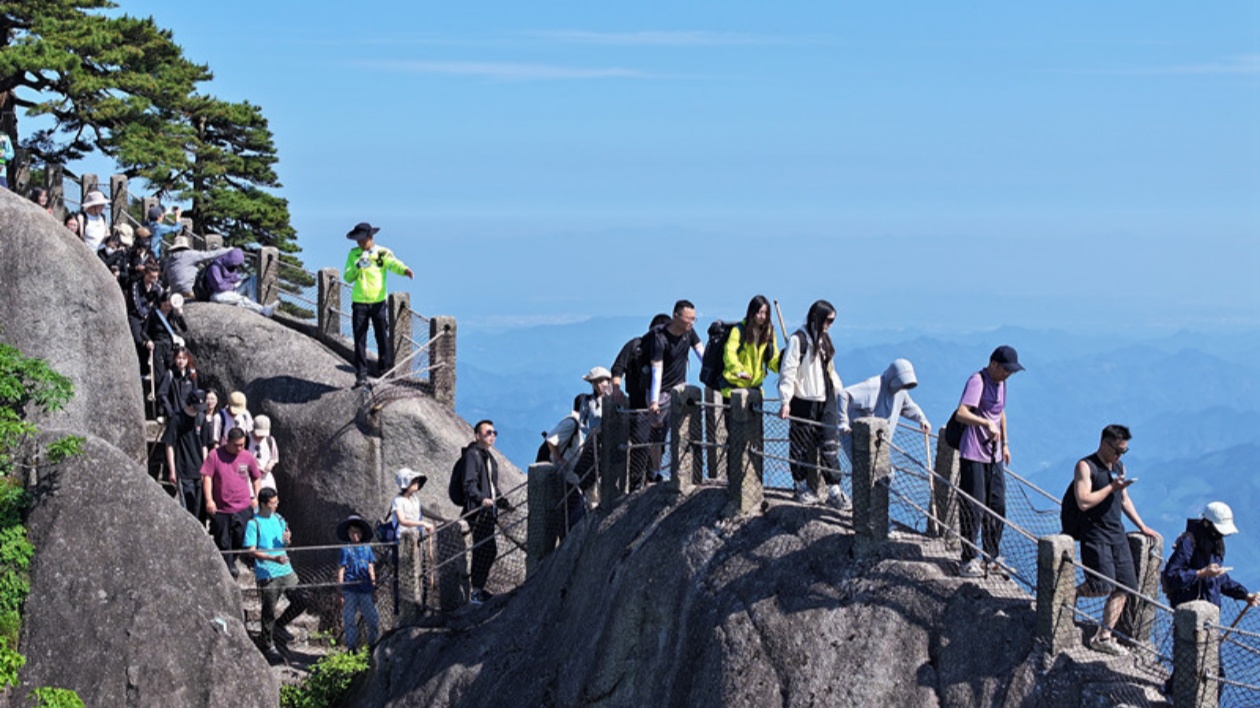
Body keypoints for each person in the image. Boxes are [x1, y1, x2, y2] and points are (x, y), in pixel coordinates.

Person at [1067, 424, 1161, 656]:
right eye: (1118, 450)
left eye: (1124, 451)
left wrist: (1141, 526)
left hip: (1116, 533)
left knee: (1126, 586)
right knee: (1101, 584)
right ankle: (1068, 593)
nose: (1120, 455)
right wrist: (1111, 487)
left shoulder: (1118, 467)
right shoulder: (1085, 466)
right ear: (1104, 444)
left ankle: (1103, 636)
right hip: (1094, 533)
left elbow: (1124, 499)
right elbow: (1083, 501)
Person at [1161, 501, 1260, 694]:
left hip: (1209, 619)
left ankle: (1171, 691)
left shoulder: (1215, 545)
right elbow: (1171, 575)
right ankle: (1173, 694)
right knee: (1211, 671)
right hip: (1189, 615)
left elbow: (1220, 579)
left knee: (1192, 663)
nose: (1222, 535)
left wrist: (1244, 594)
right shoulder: (1189, 542)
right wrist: (1200, 574)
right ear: (1207, 524)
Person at [954, 345, 1023, 579]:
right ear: (993, 364)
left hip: (994, 454)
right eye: (1005, 370)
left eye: (1011, 371)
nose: (1008, 374)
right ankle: (967, 558)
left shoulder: (1002, 383)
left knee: (997, 505)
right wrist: (985, 424)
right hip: (973, 451)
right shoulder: (977, 380)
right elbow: (961, 413)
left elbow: (1000, 412)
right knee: (974, 506)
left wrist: (1005, 443)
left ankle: (991, 556)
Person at [777, 300, 846, 508]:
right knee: (799, 445)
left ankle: (834, 490)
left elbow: (830, 371)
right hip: (803, 401)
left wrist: (841, 396)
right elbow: (787, 372)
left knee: (829, 445)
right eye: (828, 319)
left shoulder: (824, 339)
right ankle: (800, 486)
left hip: (826, 400)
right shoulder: (799, 340)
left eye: (832, 321)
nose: (830, 324)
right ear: (816, 317)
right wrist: (785, 401)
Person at [342, 222, 414, 387]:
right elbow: (347, 277)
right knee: (359, 338)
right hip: (359, 302)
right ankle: (361, 374)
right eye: (357, 240)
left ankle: (384, 370)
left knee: (382, 336)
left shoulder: (382, 252)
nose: (359, 243)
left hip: (378, 302)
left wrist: (405, 270)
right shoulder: (354, 255)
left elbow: (393, 264)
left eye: (362, 240)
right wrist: (357, 267)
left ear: (370, 238)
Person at [244, 488, 308, 659]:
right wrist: (272, 559)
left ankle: (280, 625)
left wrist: (287, 540)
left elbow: (284, 543)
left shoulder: (279, 519)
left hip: (286, 568)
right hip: (267, 572)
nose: (276, 505)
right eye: (273, 503)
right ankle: (266, 642)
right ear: (264, 504)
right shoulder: (253, 524)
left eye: (277, 502)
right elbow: (251, 551)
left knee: (302, 599)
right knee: (268, 610)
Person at [545, 367, 611, 530]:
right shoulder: (588, 402)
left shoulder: (616, 399)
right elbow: (583, 424)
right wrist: (592, 433)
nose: (600, 384)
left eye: (603, 380)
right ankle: (593, 519)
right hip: (592, 444)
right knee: (589, 483)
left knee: (602, 480)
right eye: (597, 381)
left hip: (608, 444)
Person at [611, 314, 671, 488]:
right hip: (639, 408)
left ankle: (652, 476)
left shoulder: (666, 350)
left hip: (661, 405)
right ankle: (637, 483)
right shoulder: (636, 347)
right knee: (641, 445)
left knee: (658, 443)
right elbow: (618, 367)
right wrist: (616, 388)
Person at [838, 358, 931, 464]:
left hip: (879, 443)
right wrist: (843, 423)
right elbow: (843, 394)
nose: (903, 387)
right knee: (865, 474)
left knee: (885, 476)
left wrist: (922, 420)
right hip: (855, 439)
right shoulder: (873, 387)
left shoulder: (900, 392)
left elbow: (909, 407)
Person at [201, 427, 263, 578]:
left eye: (242, 444)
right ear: (227, 442)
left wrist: (256, 496)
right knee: (223, 540)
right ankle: (228, 568)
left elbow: (256, 477)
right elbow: (207, 477)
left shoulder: (248, 457)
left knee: (241, 537)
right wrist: (209, 500)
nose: (239, 448)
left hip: (243, 507)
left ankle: (233, 560)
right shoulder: (215, 455)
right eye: (236, 445)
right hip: (222, 509)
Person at [463, 420, 505, 605]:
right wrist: (482, 499)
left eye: (494, 432)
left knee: (488, 549)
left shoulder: (488, 457)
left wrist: (502, 501)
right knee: (484, 549)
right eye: (488, 432)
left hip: (489, 511)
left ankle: (477, 590)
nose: (492, 436)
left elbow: (492, 487)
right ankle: (475, 592)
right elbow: (468, 484)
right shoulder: (473, 455)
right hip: (479, 512)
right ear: (477, 435)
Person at [164, 389, 214, 518]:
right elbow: (169, 445)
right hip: (184, 469)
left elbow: (204, 445)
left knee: (200, 508)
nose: (199, 409)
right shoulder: (177, 419)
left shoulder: (202, 418)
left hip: (200, 470)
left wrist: (206, 468)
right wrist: (172, 470)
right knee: (188, 508)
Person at [335, 515, 379, 650]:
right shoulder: (345, 549)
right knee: (349, 620)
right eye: (352, 532)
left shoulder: (367, 549)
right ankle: (351, 648)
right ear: (348, 534)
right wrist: (340, 592)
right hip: (349, 590)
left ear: (361, 533)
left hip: (365, 589)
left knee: (372, 619)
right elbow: (341, 570)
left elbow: (371, 568)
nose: (355, 535)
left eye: (357, 532)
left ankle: (373, 646)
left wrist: (374, 587)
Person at [143, 290, 187, 397]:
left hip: (171, 346)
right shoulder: (154, 314)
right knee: (159, 375)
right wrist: (148, 341)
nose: (168, 306)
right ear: (161, 302)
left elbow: (184, 328)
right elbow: (144, 332)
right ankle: (160, 398)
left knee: (172, 372)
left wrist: (180, 315)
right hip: (158, 345)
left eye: (169, 304)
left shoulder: (173, 315)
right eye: (165, 303)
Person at [205, 248, 274, 316]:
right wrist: (232, 286)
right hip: (216, 294)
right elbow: (219, 286)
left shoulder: (230, 266)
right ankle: (263, 310)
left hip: (229, 289)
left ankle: (254, 303)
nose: (237, 266)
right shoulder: (214, 268)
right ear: (232, 260)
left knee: (253, 279)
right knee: (240, 299)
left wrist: (240, 281)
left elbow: (234, 278)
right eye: (236, 264)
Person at [163, 236, 232, 297]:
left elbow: (165, 279)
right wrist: (229, 249)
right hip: (190, 291)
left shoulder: (169, 260)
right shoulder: (190, 254)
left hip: (175, 294)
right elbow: (210, 255)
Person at [156, 345, 199, 421]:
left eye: (184, 358)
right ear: (175, 359)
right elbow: (162, 394)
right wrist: (170, 412)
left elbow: (195, 393)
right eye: (179, 358)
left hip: (189, 415)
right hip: (175, 415)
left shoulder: (192, 374)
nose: (181, 361)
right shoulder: (169, 374)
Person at [391, 468, 434, 536]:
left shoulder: (415, 499)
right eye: (413, 481)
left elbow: (422, 512)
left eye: (417, 480)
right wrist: (422, 523)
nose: (416, 483)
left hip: (415, 536)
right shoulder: (398, 501)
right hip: (403, 538)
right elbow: (402, 521)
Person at [248, 415, 280, 507]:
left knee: (271, 502)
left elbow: (274, 458)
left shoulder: (270, 440)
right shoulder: (247, 440)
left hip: (266, 477)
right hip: (250, 479)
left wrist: (269, 466)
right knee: (254, 503)